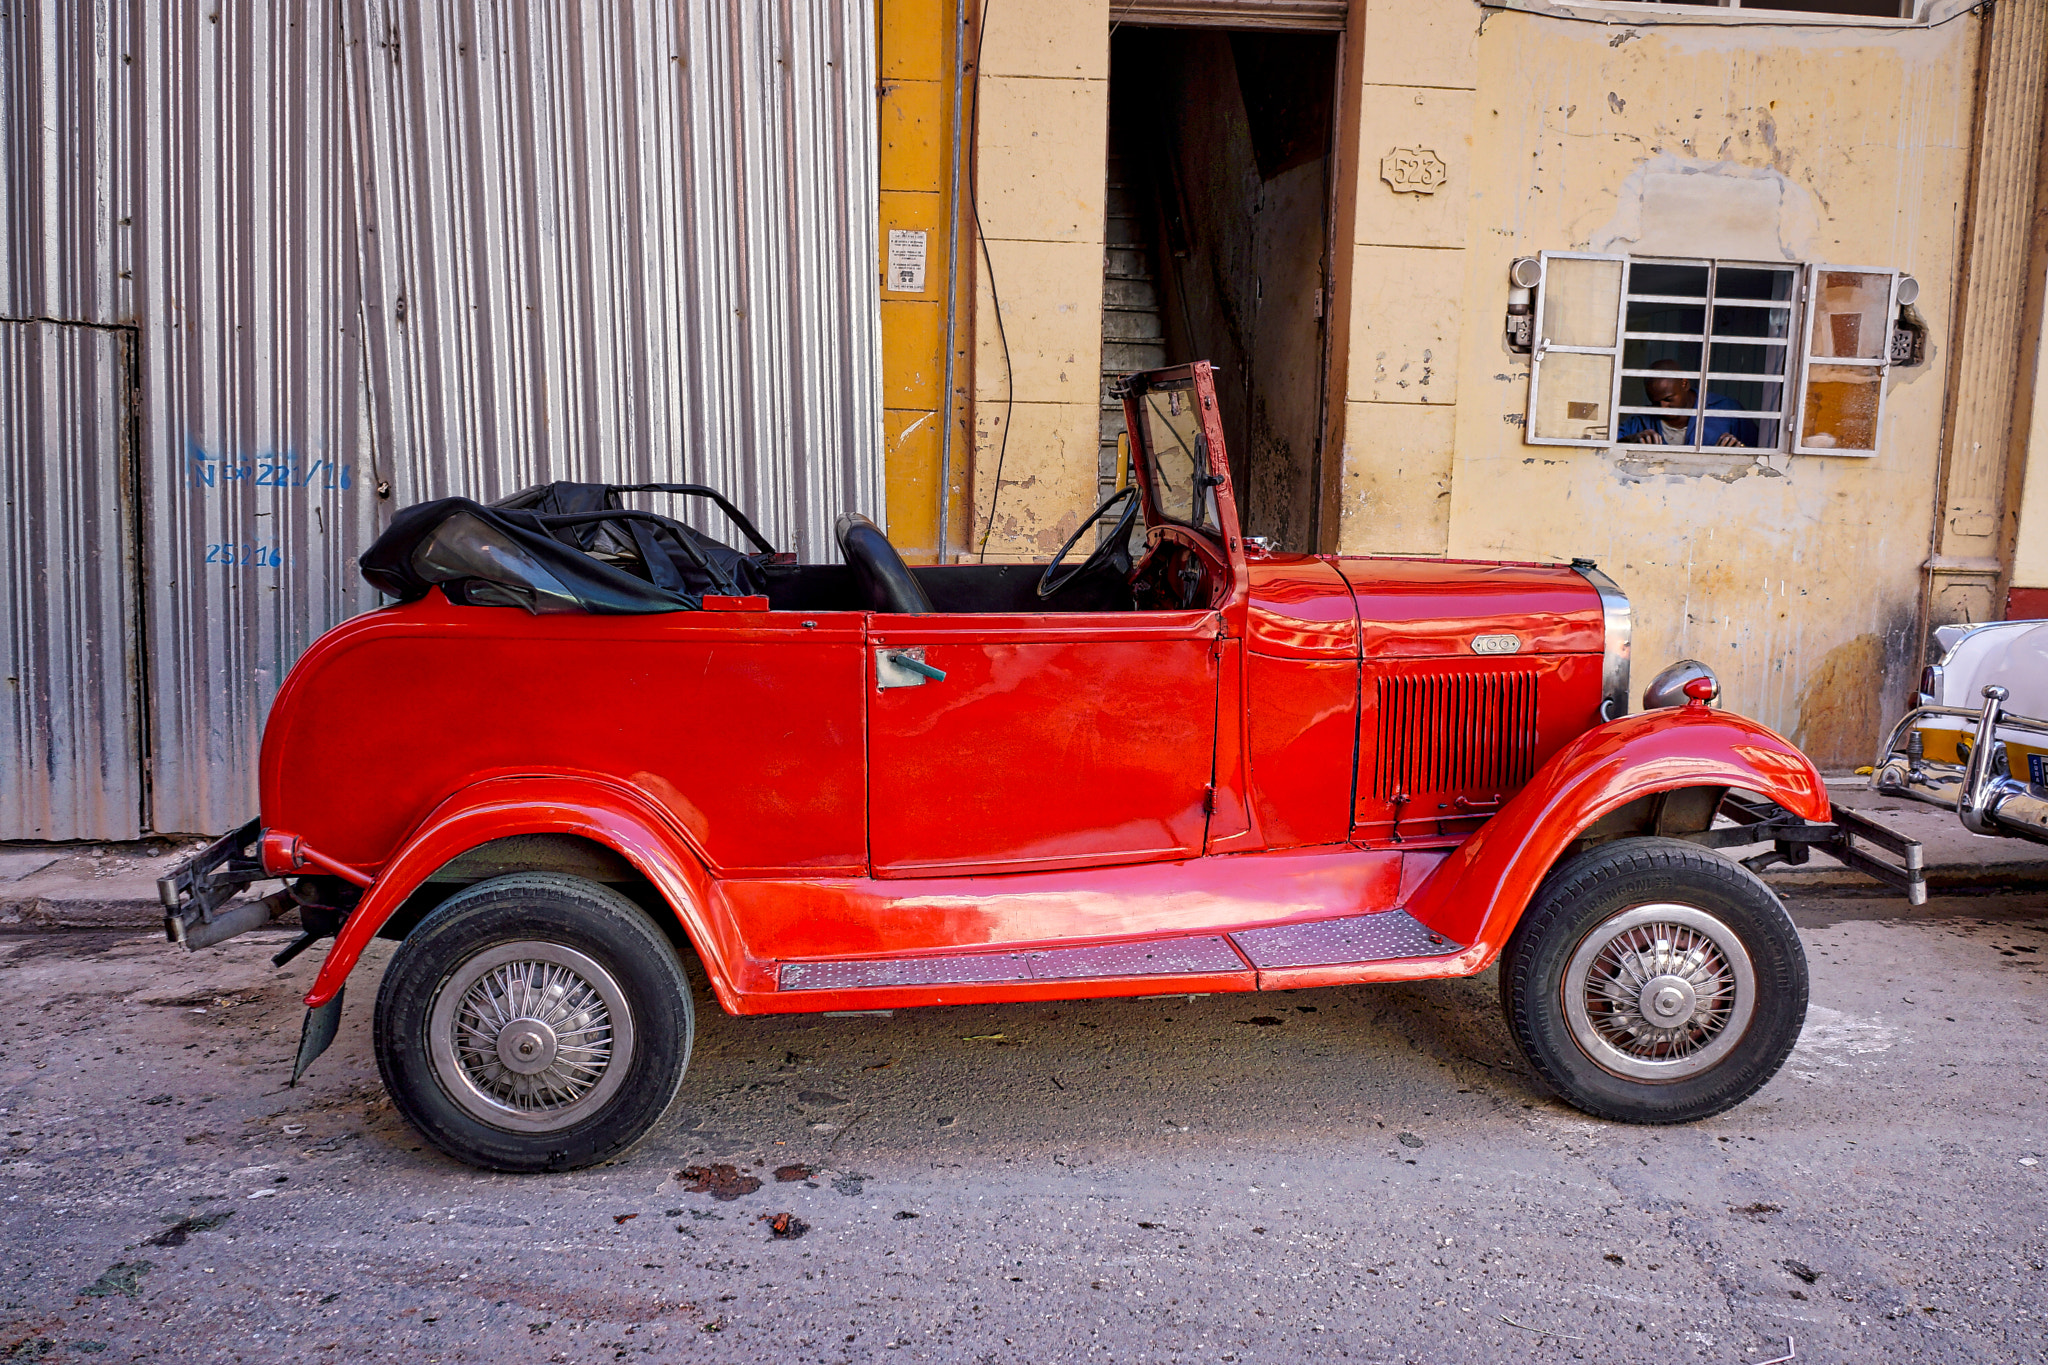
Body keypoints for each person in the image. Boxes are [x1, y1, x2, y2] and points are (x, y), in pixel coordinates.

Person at [1617, 359, 1756, 447]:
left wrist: (1737, 452)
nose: (1662, 407)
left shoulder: (1727, 411)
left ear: (1684, 384)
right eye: (1655, 402)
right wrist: (1632, 440)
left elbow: (1758, 451)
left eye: (1668, 399)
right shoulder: (1639, 421)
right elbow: (1612, 446)